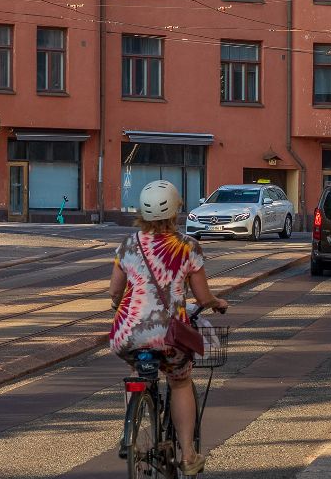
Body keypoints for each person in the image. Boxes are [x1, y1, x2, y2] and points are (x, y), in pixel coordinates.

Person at [109, 179, 228, 476]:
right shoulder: (187, 246)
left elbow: (114, 291)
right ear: (176, 210)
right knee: (180, 381)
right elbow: (202, 297)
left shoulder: (128, 245)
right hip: (169, 335)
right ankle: (188, 454)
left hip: (129, 333)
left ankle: (132, 433)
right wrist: (216, 302)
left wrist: (118, 307)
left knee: (137, 370)